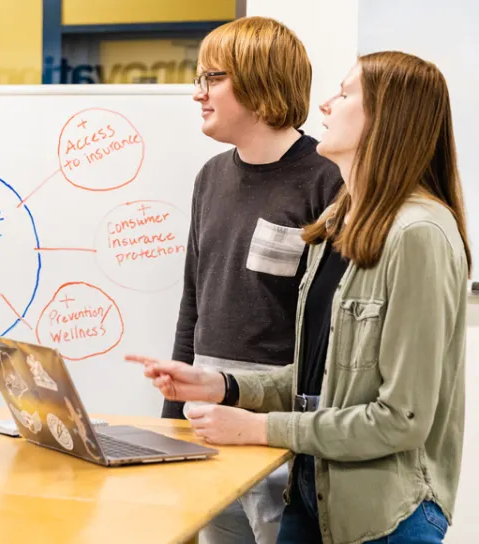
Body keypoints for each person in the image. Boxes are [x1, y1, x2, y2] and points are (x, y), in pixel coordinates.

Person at [129, 50, 469, 544]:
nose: (326, 105)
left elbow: (400, 420)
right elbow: (319, 380)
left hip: (386, 516)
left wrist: (259, 429)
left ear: (388, 119)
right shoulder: (337, 223)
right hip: (313, 494)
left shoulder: (419, 233)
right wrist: (221, 384)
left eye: (346, 93)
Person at [160, 16, 342, 544]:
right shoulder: (210, 176)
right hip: (205, 415)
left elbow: (330, 332)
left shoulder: (327, 179)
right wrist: (172, 427)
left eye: (212, 78)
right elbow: (193, 304)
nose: (198, 94)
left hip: (279, 429)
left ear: (261, 83)